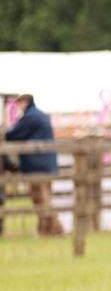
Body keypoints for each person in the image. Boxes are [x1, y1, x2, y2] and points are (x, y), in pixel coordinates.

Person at [5, 94, 64, 236]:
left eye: (20, 102)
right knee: (43, 199)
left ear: (26, 102)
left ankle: (56, 229)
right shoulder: (40, 115)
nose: (18, 106)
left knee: (42, 200)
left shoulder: (30, 117)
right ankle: (45, 230)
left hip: (37, 166)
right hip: (47, 164)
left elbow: (12, 134)